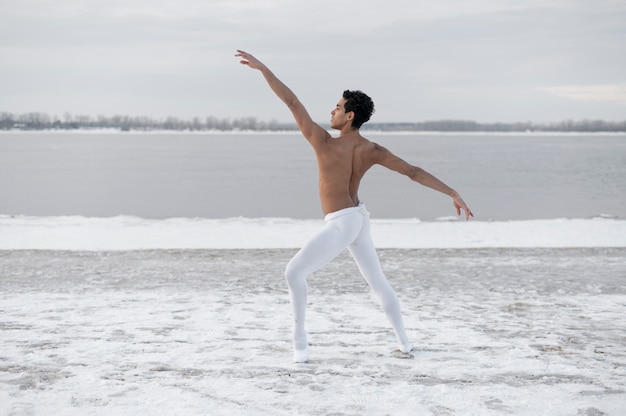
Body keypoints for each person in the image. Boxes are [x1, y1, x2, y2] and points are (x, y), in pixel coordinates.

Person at [235, 50, 473, 363]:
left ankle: (300, 346)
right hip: (358, 219)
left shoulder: (324, 142)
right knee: (378, 283)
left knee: (293, 273)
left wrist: (263, 69)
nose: (331, 112)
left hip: (343, 222)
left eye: (337, 108)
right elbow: (413, 172)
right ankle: (405, 343)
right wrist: (452, 192)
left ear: (349, 116)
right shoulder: (371, 148)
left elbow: (291, 102)